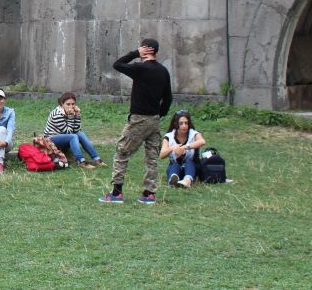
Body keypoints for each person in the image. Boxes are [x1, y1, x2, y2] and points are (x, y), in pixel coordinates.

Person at [99, 39, 172, 205]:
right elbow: (168, 98)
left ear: (147, 50)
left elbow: (117, 64)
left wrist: (134, 53)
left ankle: (116, 193)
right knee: (152, 157)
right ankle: (149, 193)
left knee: (122, 152)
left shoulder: (140, 68)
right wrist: (160, 114)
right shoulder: (163, 71)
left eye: (142, 48)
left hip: (138, 119)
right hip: (154, 120)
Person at [43, 92, 106, 169]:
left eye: (73, 104)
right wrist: (71, 117)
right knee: (73, 136)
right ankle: (81, 161)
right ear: (62, 104)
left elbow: (76, 130)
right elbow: (68, 132)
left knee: (80, 134)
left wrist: (77, 115)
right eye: (68, 104)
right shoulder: (57, 114)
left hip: (64, 137)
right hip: (51, 140)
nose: (71, 106)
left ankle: (97, 159)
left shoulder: (70, 112)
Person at [160, 110, 205, 188]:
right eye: (181, 123)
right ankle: (173, 180)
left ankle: (187, 181)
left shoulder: (193, 133)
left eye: (186, 123)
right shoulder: (169, 136)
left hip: (191, 168)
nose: (184, 126)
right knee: (174, 165)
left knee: (189, 163)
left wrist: (185, 147)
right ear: (176, 124)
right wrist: (172, 148)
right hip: (176, 167)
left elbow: (202, 141)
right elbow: (161, 155)